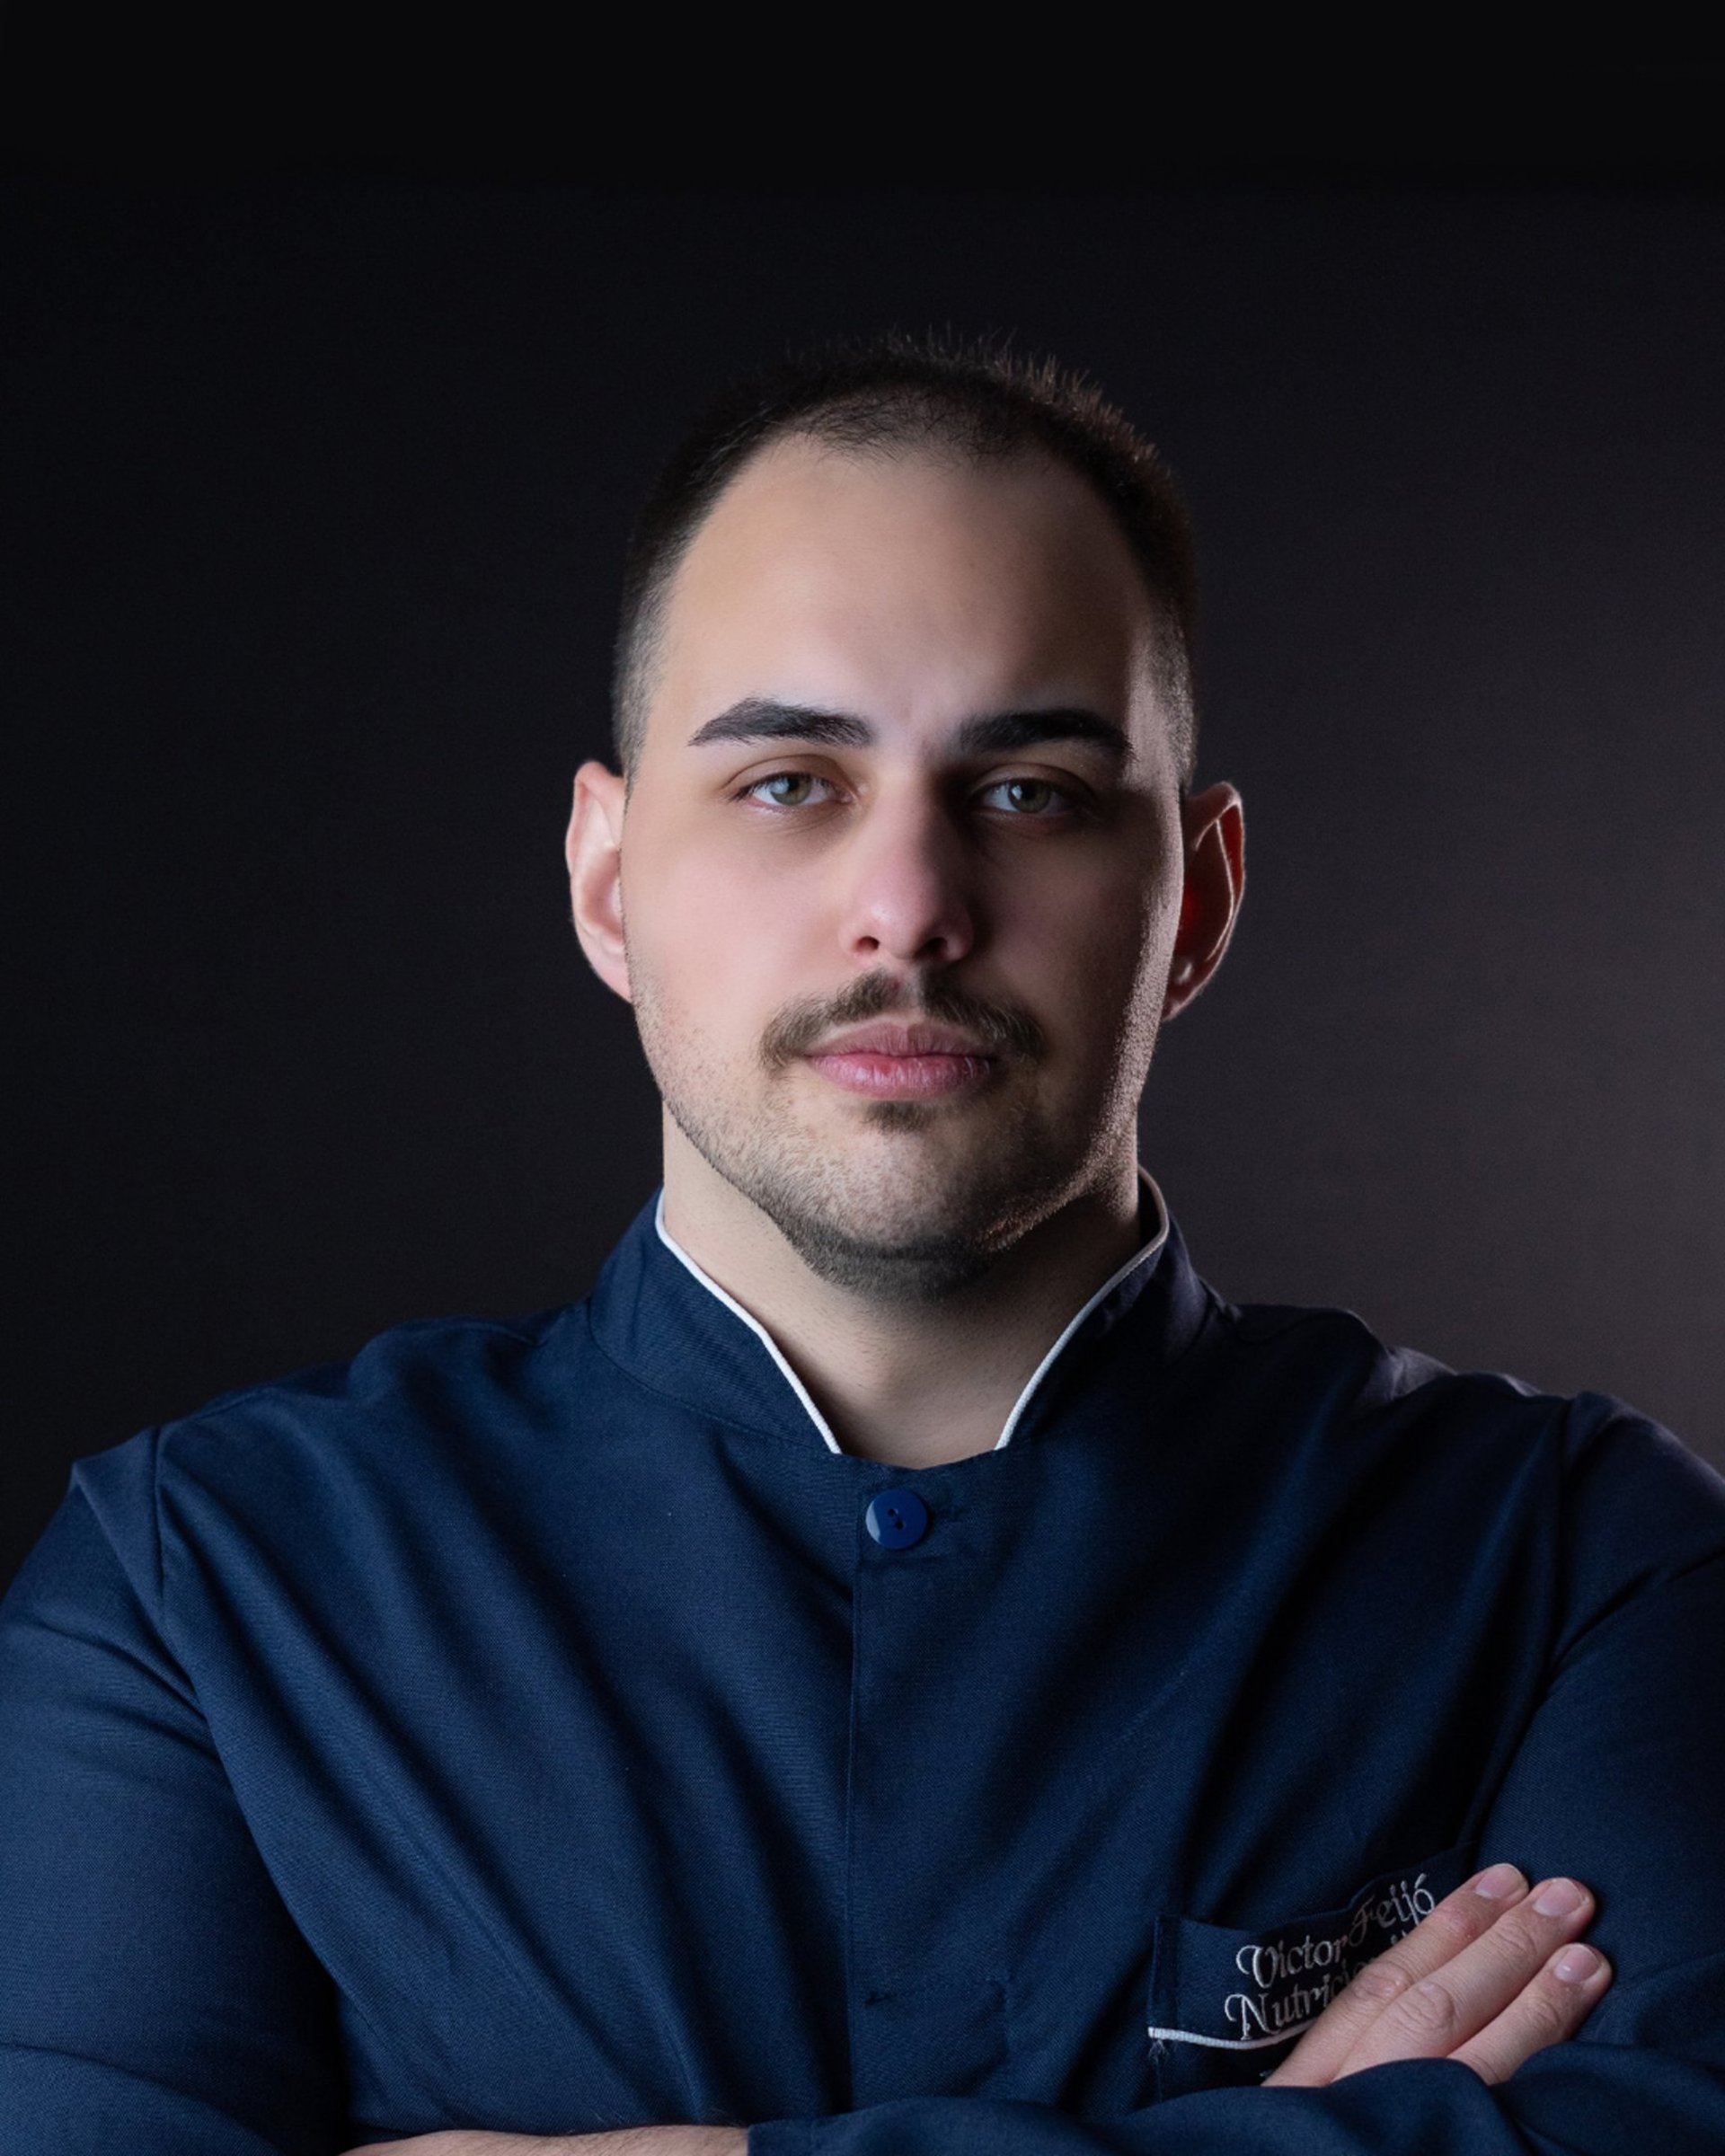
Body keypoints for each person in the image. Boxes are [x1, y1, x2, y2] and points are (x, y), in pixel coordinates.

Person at [3, 336, 1722, 2156]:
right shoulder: (198, 1593)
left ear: (1197, 902)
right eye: (789, 782)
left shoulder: (1584, 1564)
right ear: (607, 881)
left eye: (1030, 789)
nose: (908, 906)